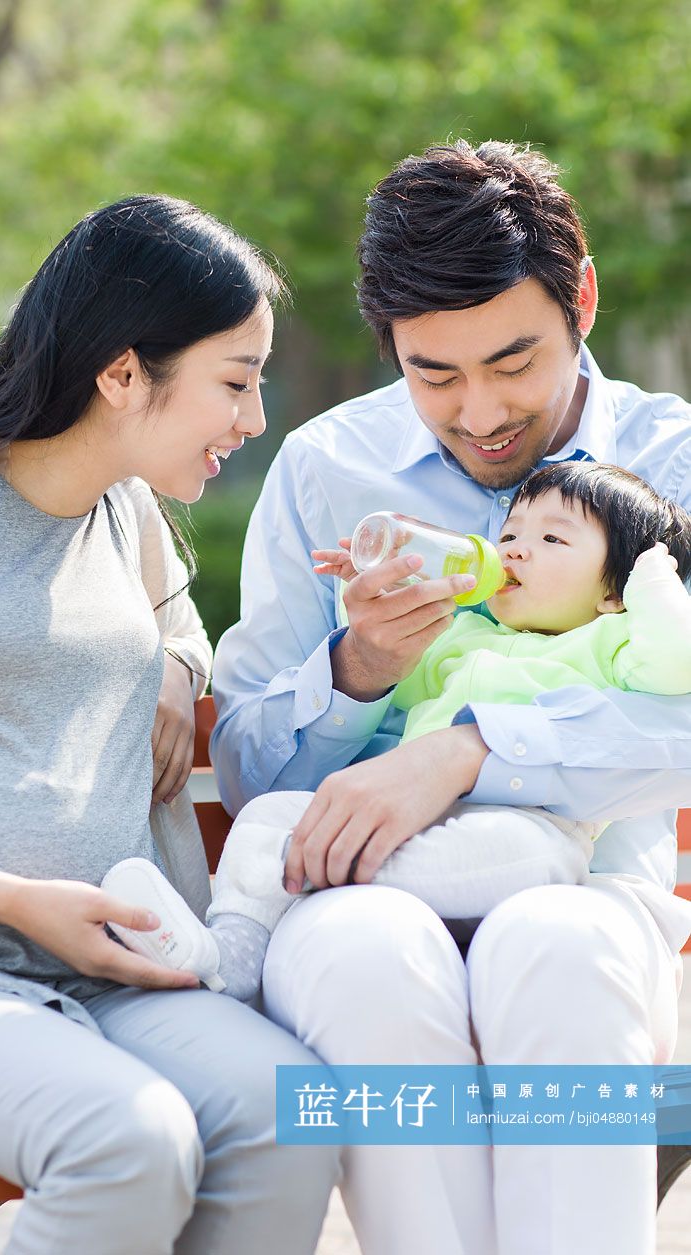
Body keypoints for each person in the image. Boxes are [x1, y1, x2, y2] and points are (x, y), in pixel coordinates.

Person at [211, 140, 691, 1255]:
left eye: (514, 361)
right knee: (373, 956)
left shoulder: (672, 465)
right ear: (391, 349)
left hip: (592, 894)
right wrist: (358, 673)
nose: (480, 412)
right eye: (435, 374)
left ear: (583, 300)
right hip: (350, 896)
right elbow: (245, 770)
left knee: (556, 947)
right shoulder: (327, 470)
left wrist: (473, 746)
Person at [0, 195, 340, 1255]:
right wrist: (9, 897)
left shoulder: (129, 515)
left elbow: (179, 633)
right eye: (236, 382)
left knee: (289, 1112)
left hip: (98, 977)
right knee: (128, 1139)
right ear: (123, 373)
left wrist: (174, 667)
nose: (253, 421)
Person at [105, 460, 691, 999]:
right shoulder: (465, 636)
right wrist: (375, 601)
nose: (514, 551)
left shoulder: (611, 642)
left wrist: (654, 584)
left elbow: (675, 662)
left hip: (535, 834)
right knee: (268, 816)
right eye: (510, 534)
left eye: (552, 539)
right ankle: (225, 963)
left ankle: (307, 868)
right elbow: (399, 685)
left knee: (520, 855)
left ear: (613, 591)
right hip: (412, 827)